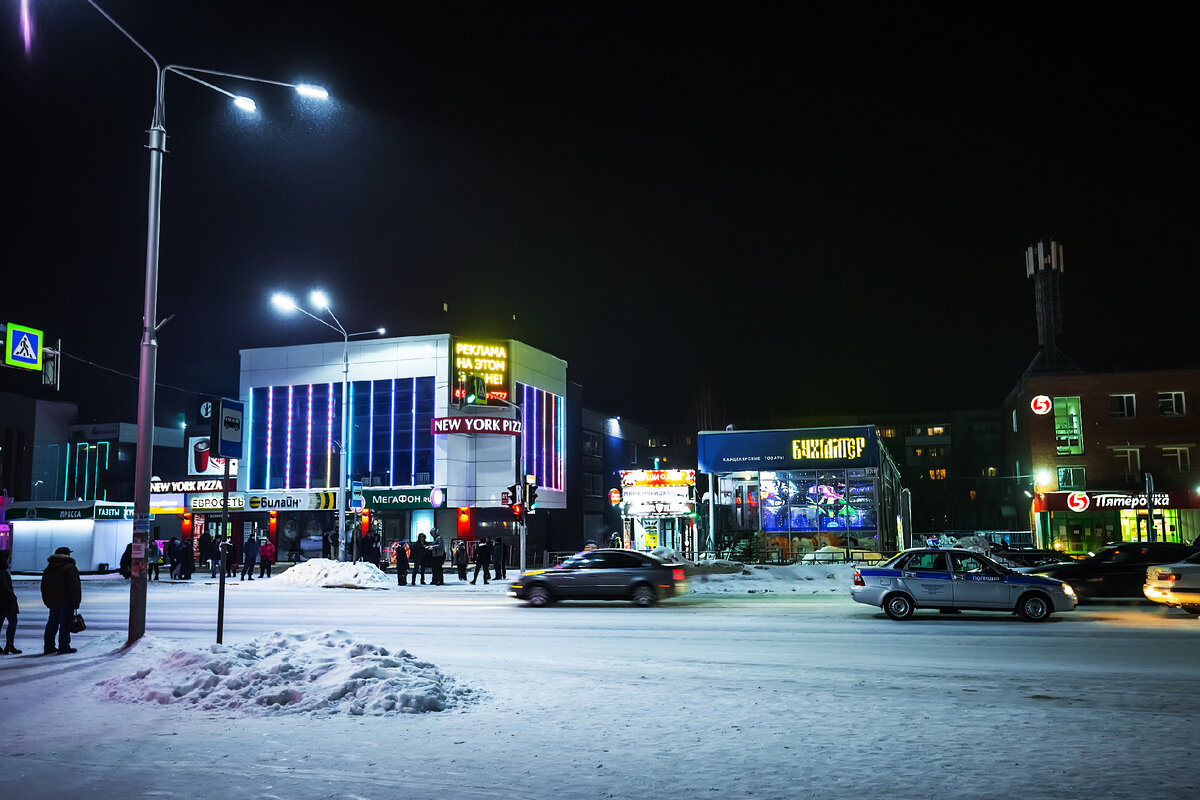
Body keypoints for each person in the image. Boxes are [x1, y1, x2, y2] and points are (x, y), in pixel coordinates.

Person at [41, 546, 81, 655]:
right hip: (67, 601)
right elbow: (74, 586)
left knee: (52, 623)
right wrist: (76, 601)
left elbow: (43, 586)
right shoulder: (70, 567)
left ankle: (49, 647)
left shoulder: (49, 568)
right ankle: (64, 647)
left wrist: (46, 600)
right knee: (65, 624)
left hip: (53, 601)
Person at [1, 552, 20, 654]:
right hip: (6, 603)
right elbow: (6, 589)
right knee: (12, 622)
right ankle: (9, 645)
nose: (9, 560)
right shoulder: (3, 572)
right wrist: (13, 599)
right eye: (8, 558)